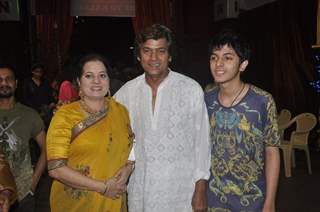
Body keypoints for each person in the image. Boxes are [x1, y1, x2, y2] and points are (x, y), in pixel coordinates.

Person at [114, 24, 211, 212]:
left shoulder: (190, 89)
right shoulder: (126, 93)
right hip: (141, 191)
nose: (154, 58)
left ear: (170, 55)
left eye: (161, 51)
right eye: (147, 51)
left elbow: (202, 143)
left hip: (181, 192)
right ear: (139, 55)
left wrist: (200, 189)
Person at [46, 53, 134, 212]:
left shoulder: (120, 111)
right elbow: (56, 168)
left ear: (109, 80)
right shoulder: (65, 115)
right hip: (78, 204)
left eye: (102, 75)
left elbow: (130, 147)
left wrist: (128, 169)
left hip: (114, 201)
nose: (96, 81)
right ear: (79, 81)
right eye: (89, 76)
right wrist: (103, 187)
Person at [205, 28, 280, 211]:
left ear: (243, 64)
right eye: (214, 57)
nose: (219, 64)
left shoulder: (262, 101)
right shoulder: (206, 98)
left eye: (228, 58)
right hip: (214, 197)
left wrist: (270, 201)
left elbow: (272, 152)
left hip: (252, 199)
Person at [0, 64, 47, 212]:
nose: (4, 83)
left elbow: (47, 149)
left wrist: (33, 183)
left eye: (8, 79)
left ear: (16, 84)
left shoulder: (30, 115)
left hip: (23, 195)